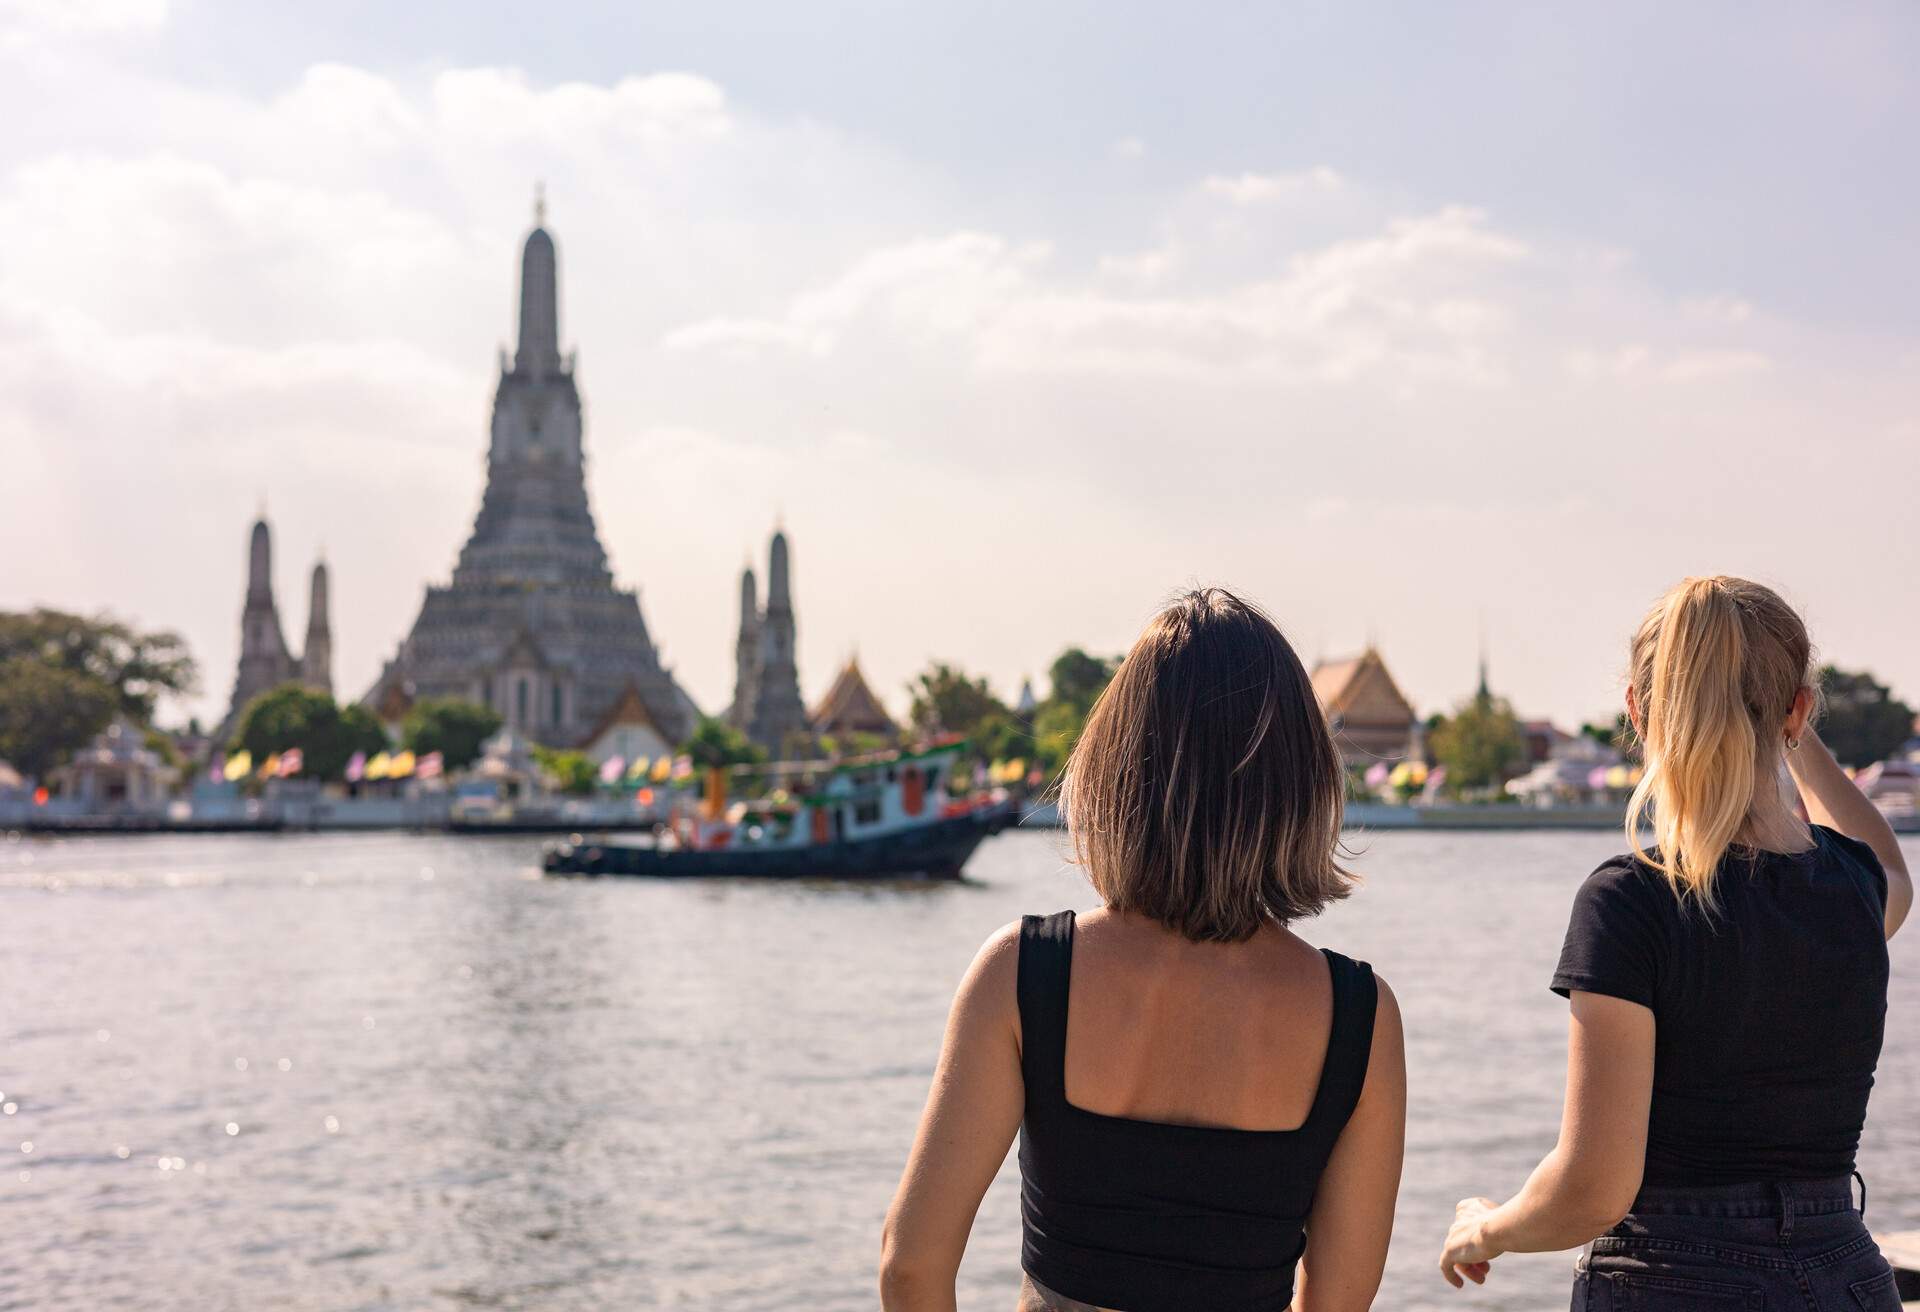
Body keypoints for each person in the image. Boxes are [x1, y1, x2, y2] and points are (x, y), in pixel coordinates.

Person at [881, 587, 1406, 1312]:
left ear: (1116, 770)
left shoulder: (1024, 972)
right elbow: (1339, 1303)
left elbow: (910, 1268)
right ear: (1302, 784)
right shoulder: (1359, 1017)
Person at [1439, 576, 1912, 1308]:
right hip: (1843, 1274)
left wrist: (1487, 1230)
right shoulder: (1853, 889)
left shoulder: (1630, 904)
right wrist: (1787, 723)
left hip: (1674, 1279)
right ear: (1799, 710)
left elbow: (1594, 1188)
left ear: (1637, 709)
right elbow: (1887, 861)